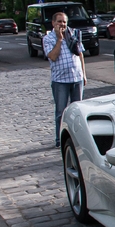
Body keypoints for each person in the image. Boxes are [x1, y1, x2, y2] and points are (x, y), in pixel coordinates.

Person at [43, 12, 87, 149]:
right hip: (60, 80)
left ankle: (77, 139)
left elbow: (80, 55)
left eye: (64, 22)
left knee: (78, 112)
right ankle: (60, 139)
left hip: (76, 78)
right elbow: (53, 56)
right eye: (59, 22)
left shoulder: (73, 34)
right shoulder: (48, 38)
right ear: (53, 23)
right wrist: (59, 39)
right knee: (61, 112)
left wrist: (84, 74)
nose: (62, 24)